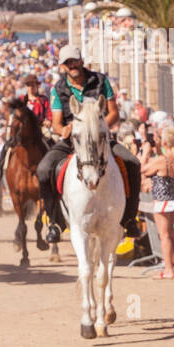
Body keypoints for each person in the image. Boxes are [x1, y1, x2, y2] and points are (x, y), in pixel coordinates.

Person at [37, 44, 142, 243]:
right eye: (67, 63)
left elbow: (113, 113)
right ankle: (55, 222)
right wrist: (65, 130)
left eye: (74, 61)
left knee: (133, 163)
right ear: (62, 67)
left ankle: (129, 219)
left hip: (101, 140)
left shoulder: (100, 81)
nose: (72, 65)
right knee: (43, 170)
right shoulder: (58, 89)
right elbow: (57, 124)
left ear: (81, 61)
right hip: (72, 141)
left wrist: (97, 128)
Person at [141, 125, 174, 278]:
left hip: (162, 201)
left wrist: (145, 153)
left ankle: (168, 269)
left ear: (164, 142)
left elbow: (143, 170)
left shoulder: (161, 160)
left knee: (164, 235)